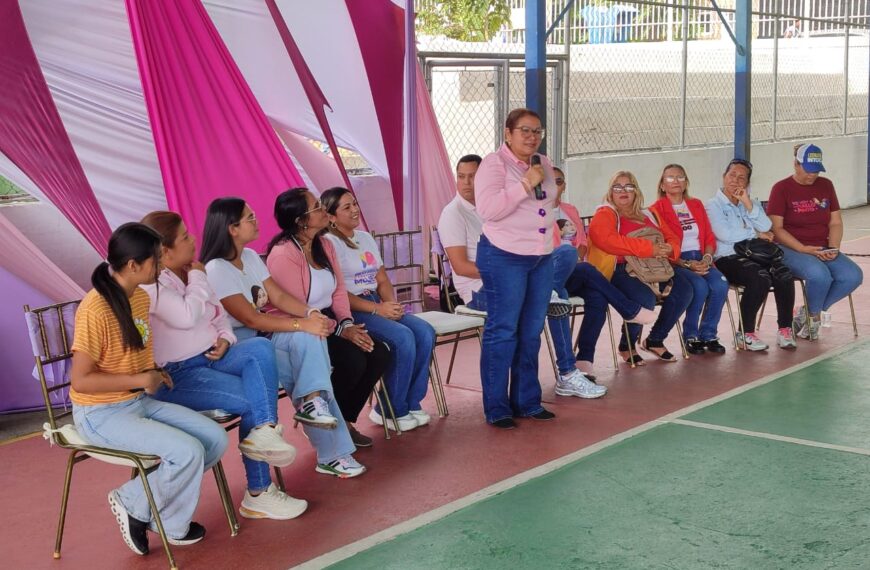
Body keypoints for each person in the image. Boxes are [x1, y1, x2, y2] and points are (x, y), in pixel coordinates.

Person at [70, 223, 227, 555]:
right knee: (187, 451)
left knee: (214, 439)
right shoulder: (95, 309)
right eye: (155, 261)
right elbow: (81, 380)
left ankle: (153, 512)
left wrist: (152, 372)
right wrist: (141, 380)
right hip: (99, 413)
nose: (161, 266)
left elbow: (129, 356)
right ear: (132, 265)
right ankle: (134, 503)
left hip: (136, 402)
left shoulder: (139, 296)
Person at [140, 211, 307, 521]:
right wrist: (199, 276)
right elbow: (188, 315)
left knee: (259, 346)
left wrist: (227, 338)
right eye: (185, 237)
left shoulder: (187, 273)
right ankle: (258, 492)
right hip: (178, 374)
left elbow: (217, 315)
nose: (193, 241)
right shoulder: (152, 285)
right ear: (164, 251)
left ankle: (266, 431)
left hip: (212, 356)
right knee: (251, 402)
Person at [439, 153, 652, 391]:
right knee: (558, 279)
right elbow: (460, 267)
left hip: (518, 280)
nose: (467, 182)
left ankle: (579, 362)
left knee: (576, 272)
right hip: (483, 291)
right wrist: (516, 271)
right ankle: (569, 371)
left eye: (473, 177)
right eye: (461, 177)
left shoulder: (495, 208)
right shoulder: (454, 213)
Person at [200, 197, 365, 478]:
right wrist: (304, 324)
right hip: (239, 347)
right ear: (232, 229)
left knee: (310, 342)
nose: (257, 221)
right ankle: (333, 453)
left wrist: (311, 313)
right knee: (308, 348)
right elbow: (250, 318)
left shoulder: (250, 257)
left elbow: (276, 296)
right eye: (249, 218)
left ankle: (314, 404)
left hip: (264, 338)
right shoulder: (217, 268)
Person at [266, 189, 389, 448]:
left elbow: (339, 290)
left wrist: (346, 323)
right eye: (317, 208)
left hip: (328, 320)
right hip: (301, 328)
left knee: (378, 352)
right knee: (353, 360)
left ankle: (343, 420)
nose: (324, 211)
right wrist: (339, 331)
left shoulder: (325, 244)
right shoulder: (284, 253)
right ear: (301, 220)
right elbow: (298, 308)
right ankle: (320, 420)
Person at [471, 107, 561, 428]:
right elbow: (489, 209)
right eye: (524, 130)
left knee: (531, 331)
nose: (532, 137)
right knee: (503, 330)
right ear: (507, 134)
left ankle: (527, 400)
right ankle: (497, 407)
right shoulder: (493, 165)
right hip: (504, 255)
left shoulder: (543, 163)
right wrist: (524, 184)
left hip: (540, 258)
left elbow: (548, 202)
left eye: (537, 131)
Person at [321, 187, 436, 432]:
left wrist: (390, 306)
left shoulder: (364, 237)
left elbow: (382, 279)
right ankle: (391, 409)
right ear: (330, 216)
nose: (354, 210)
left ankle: (411, 401)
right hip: (354, 307)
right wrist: (377, 309)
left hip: (377, 301)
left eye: (354, 204)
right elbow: (338, 292)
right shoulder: (329, 243)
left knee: (425, 331)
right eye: (346, 207)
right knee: (402, 337)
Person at [587, 171, 693, 365]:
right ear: (611, 193)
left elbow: (672, 237)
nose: (623, 191)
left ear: (636, 191)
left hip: (655, 266)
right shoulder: (605, 213)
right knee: (644, 298)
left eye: (629, 186)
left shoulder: (649, 214)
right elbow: (607, 241)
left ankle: (655, 339)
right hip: (620, 268)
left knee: (685, 289)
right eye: (617, 187)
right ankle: (627, 345)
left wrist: (670, 248)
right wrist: (649, 249)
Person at [768, 143, 863, 340]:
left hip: (821, 247)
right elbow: (776, 229)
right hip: (790, 248)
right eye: (808, 170)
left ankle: (809, 311)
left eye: (816, 170)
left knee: (853, 275)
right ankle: (814, 317)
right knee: (819, 275)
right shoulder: (781, 188)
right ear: (796, 164)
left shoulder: (826, 185)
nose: (812, 175)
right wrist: (803, 248)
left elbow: (835, 221)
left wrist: (833, 247)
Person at [706, 158, 797, 350]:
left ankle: (785, 329)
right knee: (759, 277)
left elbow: (766, 226)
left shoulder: (749, 203)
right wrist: (756, 234)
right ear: (724, 176)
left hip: (755, 255)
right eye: (732, 175)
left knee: (784, 274)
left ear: (747, 183)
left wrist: (747, 202)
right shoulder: (712, 205)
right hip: (727, 258)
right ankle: (745, 333)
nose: (735, 181)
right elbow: (725, 235)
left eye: (742, 178)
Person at [650, 164, 729, 355]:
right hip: (676, 262)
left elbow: (709, 236)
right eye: (670, 178)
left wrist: (708, 258)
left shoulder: (696, 204)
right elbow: (663, 246)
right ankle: (691, 336)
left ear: (686, 182)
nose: (676, 181)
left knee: (721, 285)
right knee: (699, 287)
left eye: (680, 177)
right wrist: (686, 264)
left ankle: (708, 334)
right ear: (662, 185)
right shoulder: (655, 210)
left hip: (702, 257)